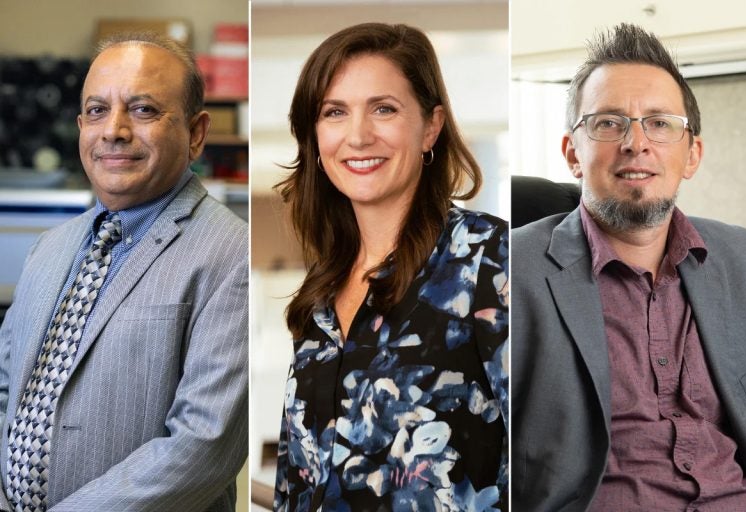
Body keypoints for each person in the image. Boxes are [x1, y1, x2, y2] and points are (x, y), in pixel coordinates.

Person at [511, 23, 746, 511]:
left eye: (660, 122)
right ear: (572, 153)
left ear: (692, 154)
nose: (636, 142)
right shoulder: (511, 273)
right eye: (608, 123)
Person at [0, 32, 248, 511]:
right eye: (97, 111)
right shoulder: (48, 249)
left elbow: (203, 445)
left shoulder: (231, 252)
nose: (113, 130)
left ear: (196, 133)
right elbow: (6, 385)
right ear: (80, 127)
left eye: (143, 110)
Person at [273, 22, 509, 511]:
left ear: (431, 127)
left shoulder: (490, 257)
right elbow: (297, 476)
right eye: (334, 112)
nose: (358, 136)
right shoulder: (321, 289)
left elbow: (544, 458)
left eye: (383, 109)